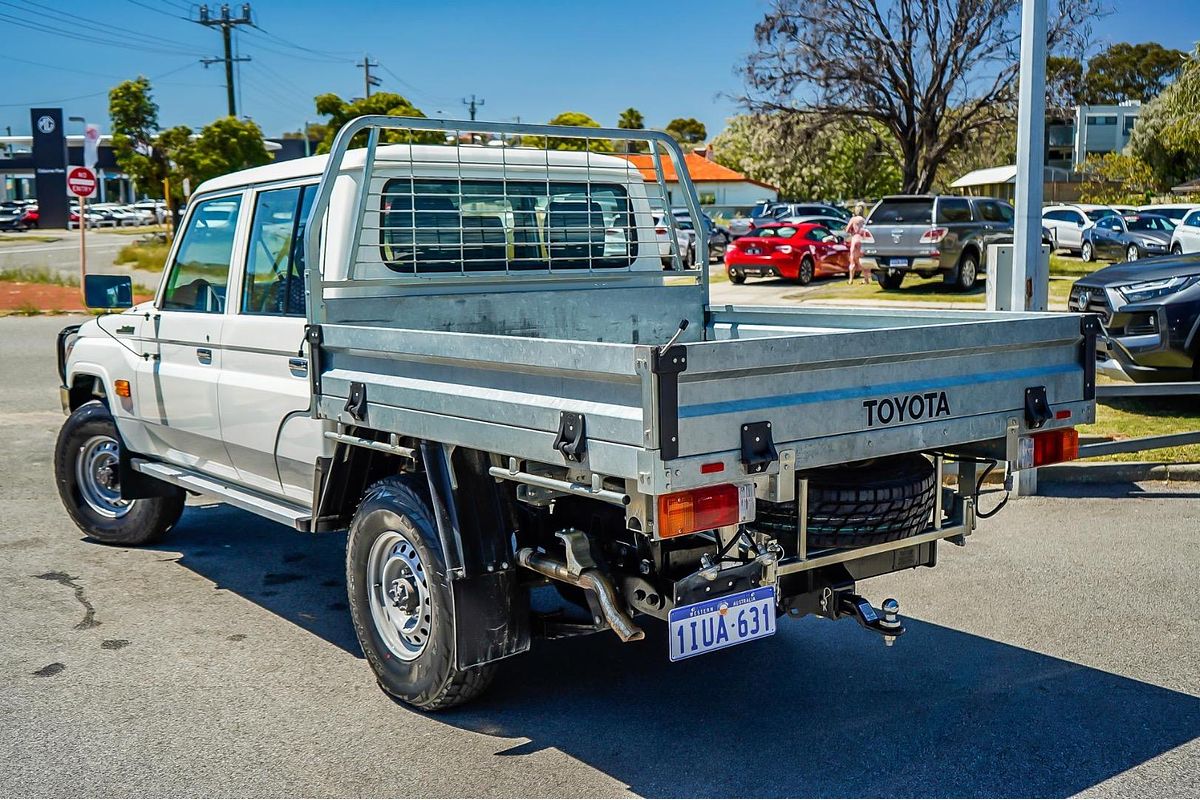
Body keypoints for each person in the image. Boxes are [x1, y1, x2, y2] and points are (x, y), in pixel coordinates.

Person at [845, 204, 870, 285]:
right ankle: (866, 279)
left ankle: (850, 280)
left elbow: (847, 230)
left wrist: (852, 231)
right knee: (863, 261)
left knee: (852, 261)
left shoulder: (853, 219)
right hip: (863, 240)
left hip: (855, 239)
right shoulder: (864, 220)